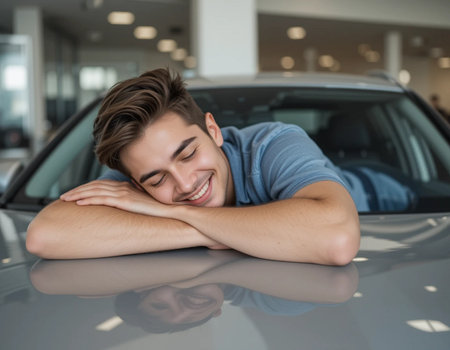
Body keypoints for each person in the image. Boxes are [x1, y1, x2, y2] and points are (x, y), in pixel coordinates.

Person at [26, 68, 409, 264]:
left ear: (213, 129)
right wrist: (204, 231)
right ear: (137, 183)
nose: (184, 183)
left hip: (384, 193)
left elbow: (338, 239)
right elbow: (44, 235)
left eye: (188, 153)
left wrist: (170, 214)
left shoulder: (273, 145)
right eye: (156, 180)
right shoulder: (139, 174)